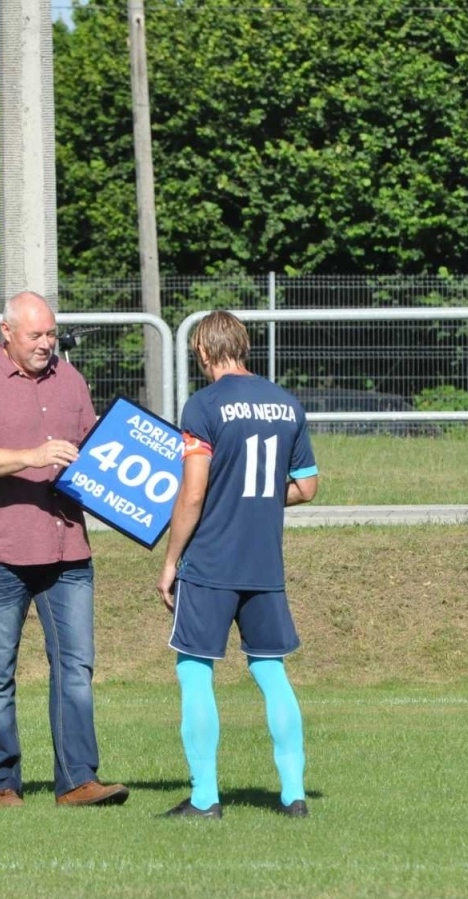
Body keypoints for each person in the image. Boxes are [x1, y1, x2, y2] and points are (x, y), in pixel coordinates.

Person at [0, 291, 129, 809]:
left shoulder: (71, 380)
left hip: (68, 551)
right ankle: (1, 785)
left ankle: (77, 781)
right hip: (2, 553)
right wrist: (32, 456)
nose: (46, 343)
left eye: (51, 333)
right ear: (6, 332)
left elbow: (97, 452)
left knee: (76, 669)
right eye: (36, 335)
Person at [156, 311, 319, 819]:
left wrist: (170, 561)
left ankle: (205, 798)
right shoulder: (287, 404)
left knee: (194, 670)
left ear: (204, 352)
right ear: (243, 346)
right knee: (270, 670)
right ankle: (294, 795)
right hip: (264, 562)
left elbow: (193, 493)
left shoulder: (203, 405)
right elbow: (307, 487)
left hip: (211, 561)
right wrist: (259, 500)